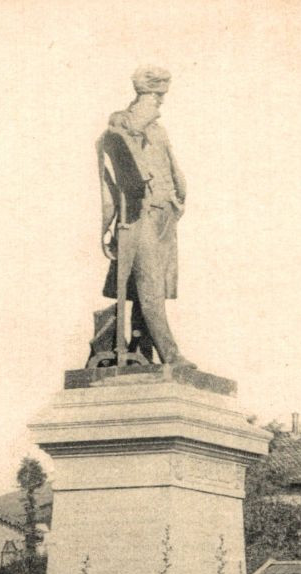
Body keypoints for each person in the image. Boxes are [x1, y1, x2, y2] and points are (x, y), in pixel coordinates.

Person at [97, 65, 189, 366]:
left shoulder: (158, 131)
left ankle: (140, 350)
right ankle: (171, 356)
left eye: (160, 98)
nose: (159, 104)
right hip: (141, 216)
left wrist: (178, 199)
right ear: (142, 95)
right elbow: (115, 173)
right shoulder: (123, 126)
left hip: (165, 215)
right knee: (149, 287)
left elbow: (170, 166)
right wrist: (107, 227)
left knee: (151, 287)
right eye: (153, 97)